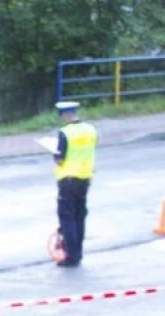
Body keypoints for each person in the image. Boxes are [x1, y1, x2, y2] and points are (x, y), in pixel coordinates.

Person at [52, 101, 97, 268]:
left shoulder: (65, 132)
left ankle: (71, 256)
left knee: (67, 218)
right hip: (85, 179)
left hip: (68, 179)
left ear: (65, 115)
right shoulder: (91, 130)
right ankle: (78, 252)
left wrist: (55, 155)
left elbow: (60, 158)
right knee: (80, 217)